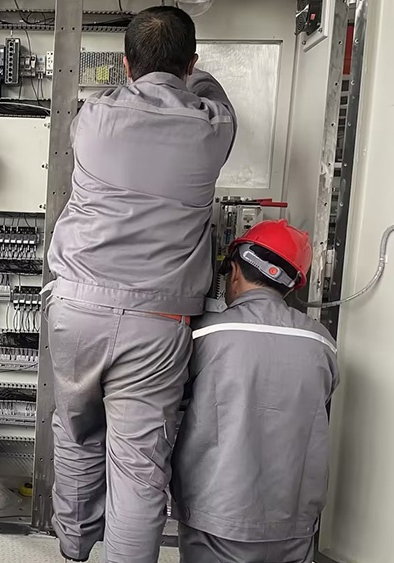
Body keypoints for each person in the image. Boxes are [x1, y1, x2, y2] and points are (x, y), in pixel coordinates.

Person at [43, 6, 237, 562]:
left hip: (76, 307)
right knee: (137, 466)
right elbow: (215, 96)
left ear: (126, 65)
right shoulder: (212, 127)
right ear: (191, 63)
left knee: (76, 431)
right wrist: (192, 75)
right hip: (156, 322)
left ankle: (73, 545)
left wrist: (147, 74)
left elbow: (126, 88)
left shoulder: (93, 117)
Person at [171, 220, 339, 563]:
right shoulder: (322, 342)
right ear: (290, 285)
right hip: (294, 517)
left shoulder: (204, 335)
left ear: (234, 272)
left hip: (218, 514)